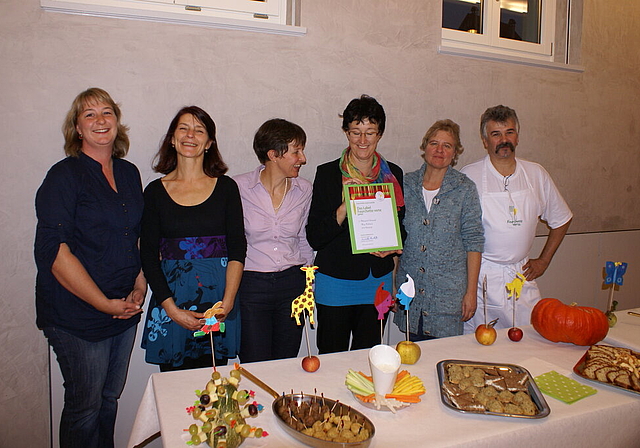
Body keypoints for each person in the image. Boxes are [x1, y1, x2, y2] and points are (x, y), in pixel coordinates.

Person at [35, 87, 146, 448]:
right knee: (84, 408)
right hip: (78, 314)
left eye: (107, 112)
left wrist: (140, 283)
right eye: (89, 115)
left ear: (117, 122)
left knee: (109, 400)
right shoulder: (63, 177)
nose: (100, 120)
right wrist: (102, 303)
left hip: (123, 307)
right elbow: (54, 252)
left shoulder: (129, 173)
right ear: (77, 129)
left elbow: (137, 236)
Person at [140, 106, 246, 371]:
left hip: (218, 304)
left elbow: (237, 248)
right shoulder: (154, 192)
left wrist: (228, 302)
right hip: (172, 302)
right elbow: (148, 256)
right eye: (183, 128)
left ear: (209, 143)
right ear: (173, 139)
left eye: (199, 130)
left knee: (216, 392)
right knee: (174, 395)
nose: (191, 135)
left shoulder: (226, 188)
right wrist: (172, 311)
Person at [307, 94, 405, 354]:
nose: (362, 141)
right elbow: (314, 237)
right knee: (331, 357)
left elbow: (401, 226)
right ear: (346, 132)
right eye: (355, 132)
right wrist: (343, 208)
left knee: (369, 357)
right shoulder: (328, 174)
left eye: (370, 132)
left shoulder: (392, 174)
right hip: (335, 282)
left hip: (378, 281)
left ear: (379, 134)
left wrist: (393, 246)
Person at [461, 105, 572, 332]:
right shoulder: (468, 176)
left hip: (521, 277)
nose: (504, 140)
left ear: (517, 137)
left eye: (509, 132)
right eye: (496, 134)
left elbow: (562, 218)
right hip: (481, 279)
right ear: (484, 141)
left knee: (529, 340)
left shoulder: (536, 174)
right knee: (478, 348)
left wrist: (544, 260)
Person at [394, 119, 484, 340]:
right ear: (425, 147)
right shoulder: (405, 184)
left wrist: (471, 293)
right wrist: (394, 284)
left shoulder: (464, 189)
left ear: (455, 153)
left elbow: (474, 241)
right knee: (412, 358)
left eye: (447, 146)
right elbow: (396, 237)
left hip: (448, 297)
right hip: (410, 291)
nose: (439, 150)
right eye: (434, 143)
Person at [233, 118, 313, 363]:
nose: (303, 158)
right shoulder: (238, 187)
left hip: (292, 284)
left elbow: (303, 240)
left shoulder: (305, 189)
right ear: (274, 155)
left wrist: (308, 286)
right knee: (254, 362)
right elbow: (231, 242)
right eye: (296, 151)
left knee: (286, 362)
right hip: (251, 285)